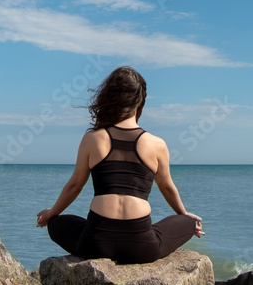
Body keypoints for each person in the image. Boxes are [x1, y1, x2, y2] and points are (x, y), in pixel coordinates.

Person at [36, 66, 204, 264]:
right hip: (141, 247)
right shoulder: (157, 144)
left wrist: (51, 213)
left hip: (96, 243)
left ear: (109, 97)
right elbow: (166, 186)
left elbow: (75, 185)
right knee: (188, 222)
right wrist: (183, 215)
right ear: (140, 100)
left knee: (56, 223)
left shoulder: (93, 139)